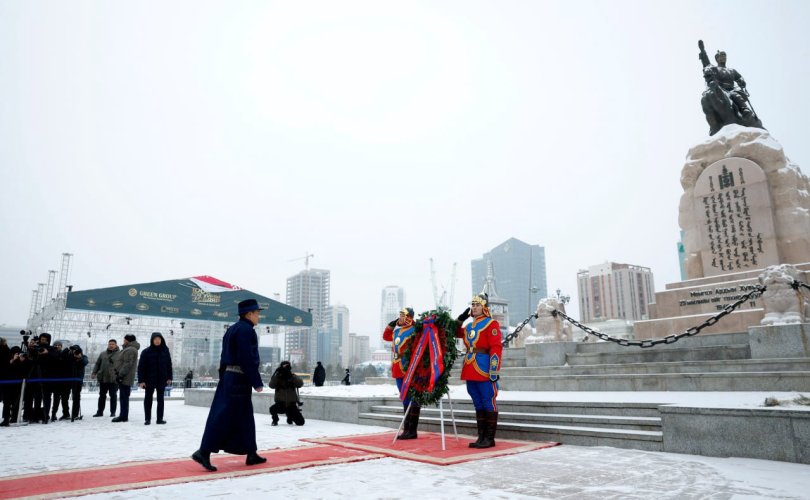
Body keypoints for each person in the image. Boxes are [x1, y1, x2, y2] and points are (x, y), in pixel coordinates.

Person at [192, 299, 266, 472]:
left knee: (244, 417)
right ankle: (203, 451)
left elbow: (223, 355)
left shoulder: (232, 329)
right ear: (249, 314)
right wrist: (256, 381)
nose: (258, 316)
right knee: (225, 416)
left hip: (230, 377)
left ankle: (251, 453)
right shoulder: (246, 331)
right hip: (239, 378)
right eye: (257, 313)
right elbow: (246, 357)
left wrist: (224, 377)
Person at [456, 293, 503, 449]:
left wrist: (494, 369)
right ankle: (481, 437)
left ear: (484, 307)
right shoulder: (469, 326)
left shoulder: (491, 324)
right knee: (477, 402)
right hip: (470, 366)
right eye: (473, 305)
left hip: (484, 367)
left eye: (477, 305)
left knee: (488, 400)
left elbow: (496, 347)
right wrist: (460, 319)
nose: (474, 307)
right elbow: (455, 332)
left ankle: (489, 438)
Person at [382, 307, 421, 439]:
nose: (400, 317)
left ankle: (412, 430)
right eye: (399, 315)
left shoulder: (415, 330)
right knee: (404, 397)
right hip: (398, 367)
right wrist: (394, 323)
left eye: (403, 315)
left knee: (413, 397)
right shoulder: (397, 331)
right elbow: (386, 336)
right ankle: (406, 429)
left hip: (409, 366)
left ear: (409, 316)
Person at [137, 332, 173, 425]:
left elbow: (169, 365)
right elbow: (141, 367)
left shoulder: (165, 351)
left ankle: (159, 419)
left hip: (162, 379)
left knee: (160, 400)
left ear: (161, 340)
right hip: (149, 380)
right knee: (148, 399)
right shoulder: (146, 352)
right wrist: (141, 381)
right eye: (155, 339)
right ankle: (147, 419)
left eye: (159, 339)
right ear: (152, 340)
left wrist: (169, 377)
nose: (157, 341)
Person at [112, 334, 140, 423]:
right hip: (124, 376)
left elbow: (128, 364)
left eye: (124, 340)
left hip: (125, 377)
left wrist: (120, 375)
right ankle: (123, 415)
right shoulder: (129, 349)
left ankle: (123, 416)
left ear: (128, 341)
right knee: (123, 397)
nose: (123, 341)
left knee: (124, 397)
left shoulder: (130, 350)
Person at [268, 360, 305, 426]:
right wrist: (277, 375)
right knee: (272, 409)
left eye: (287, 366)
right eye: (284, 366)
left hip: (291, 404)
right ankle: (275, 420)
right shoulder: (278, 376)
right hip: (281, 404)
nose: (285, 368)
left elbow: (300, 384)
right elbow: (271, 385)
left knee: (300, 422)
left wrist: (291, 376)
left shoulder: (292, 376)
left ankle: (290, 416)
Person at [91, 339, 120, 417]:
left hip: (114, 379)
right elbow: (97, 364)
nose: (111, 345)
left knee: (113, 396)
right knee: (102, 396)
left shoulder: (120, 354)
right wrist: (94, 372)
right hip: (103, 378)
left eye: (113, 344)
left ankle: (113, 412)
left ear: (116, 345)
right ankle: (100, 412)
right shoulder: (102, 354)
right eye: (109, 344)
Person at [67, 345, 88, 421]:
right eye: (74, 350)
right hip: (68, 379)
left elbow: (85, 362)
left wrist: (80, 357)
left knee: (76, 397)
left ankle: (75, 414)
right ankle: (66, 414)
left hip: (78, 380)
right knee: (65, 397)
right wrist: (69, 351)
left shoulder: (83, 357)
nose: (75, 352)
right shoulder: (69, 356)